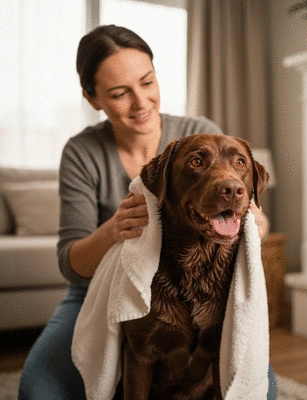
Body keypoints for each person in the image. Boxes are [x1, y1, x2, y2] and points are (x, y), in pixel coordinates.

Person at [18, 24, 277, 400]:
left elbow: (243, 210)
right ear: (93, 99)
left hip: (202, 285)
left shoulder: (198, 132)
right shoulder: (83, 151)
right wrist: (113, 229)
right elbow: (71, 264)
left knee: (260, 392)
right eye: (120, 93)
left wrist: (258, 224)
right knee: (39, 393)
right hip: (96, 292)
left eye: (147, 82)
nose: (140, 103)